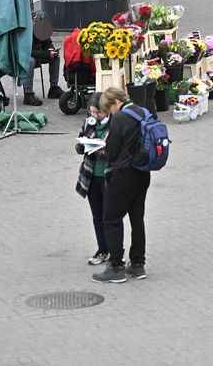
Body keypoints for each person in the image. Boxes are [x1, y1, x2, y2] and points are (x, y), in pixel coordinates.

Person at [92, 86, 150, 284]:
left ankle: (116, 267)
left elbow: (113, 150)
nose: (111, 113)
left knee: (111, 218)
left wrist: (102, 150)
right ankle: (138, 264)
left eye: (110, 109)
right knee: (137, 218)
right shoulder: (143, 111)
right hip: (143, 172)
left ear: (116, 102)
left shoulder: (121, 118)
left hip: (124, 175)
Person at [75, 91, 114, 266]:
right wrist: (82, 145)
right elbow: (79, 145)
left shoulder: (115, 124)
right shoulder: (89, 123)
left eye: (97, 112)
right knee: (97, 216)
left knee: (111, 217)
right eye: (91, 112)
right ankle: (102, 249)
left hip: (109, 176)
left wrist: (105, 149)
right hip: (91, 176)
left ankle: (115, 250)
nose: (94, 116)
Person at [22, 30, 62, 106]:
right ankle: (28, 94)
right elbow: (28, 51)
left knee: (56, 58)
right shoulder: (25, 31)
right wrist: (46, 54)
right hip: (23, 56)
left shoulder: (41, 29)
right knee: (30, 61)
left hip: (38, 55)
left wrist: (51, 50)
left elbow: (48, 43)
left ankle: (54, 89)